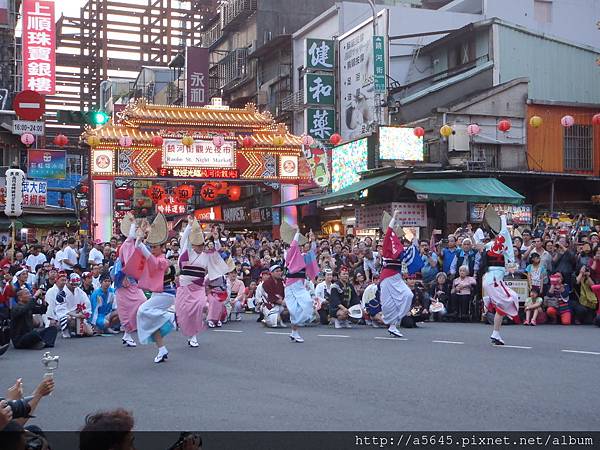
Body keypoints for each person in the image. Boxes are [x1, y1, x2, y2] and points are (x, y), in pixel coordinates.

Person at [176, 218, 229, 347]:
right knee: (186, 311)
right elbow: (184, 241)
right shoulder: (187, 252)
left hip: (198, 287)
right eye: (197, 244)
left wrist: (216, 239)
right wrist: (189, 227)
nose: (200, 247)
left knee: (199, 306)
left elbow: (217, 251)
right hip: (185, 286)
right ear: (193, 244)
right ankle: (187, 331)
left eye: (202, 244)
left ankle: (194, 335)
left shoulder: (206, 255)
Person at [131, 217, 177, 363]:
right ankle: (161, 349)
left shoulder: (163, 261)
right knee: (151, 321)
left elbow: (152, 260)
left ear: (162, 247)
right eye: (151, 247)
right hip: (158, 294)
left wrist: (142, 246)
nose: (152, 249)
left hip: (166, 294)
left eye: (154, 247)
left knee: (143, 311)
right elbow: (138, 247)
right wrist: (140, 233)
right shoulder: (157, 259)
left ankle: (169, 317)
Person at [481, 213, 520, 345]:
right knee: (513, 297)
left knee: (501, 307)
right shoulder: (496, 246)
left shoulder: (490, 246)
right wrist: (503, 221)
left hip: (491, 280)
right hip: (494, 280)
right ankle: (488, 304)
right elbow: (504, 237)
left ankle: (496, 334)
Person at [113, 220, 147, 347]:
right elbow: (128, 263)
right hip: (123, 281)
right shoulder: (127, 244)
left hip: (131, 281)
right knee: (127, 308)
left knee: (140, 302)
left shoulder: (132, 244)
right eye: (136, 228)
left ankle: (127, 334)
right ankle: (128, 333)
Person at [379, 210, 414, 338]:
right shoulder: (387, 244)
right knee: (388, 304)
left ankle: (396, 321)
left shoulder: (400, 248)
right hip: (387, 277)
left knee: (408, 295)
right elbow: (389, 231)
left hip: (397, 277)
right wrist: (393, 218)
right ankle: (392, 325)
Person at [284, 228, 319, 343]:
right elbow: (294, 246)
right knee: (294, 310)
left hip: (300, 286)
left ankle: (295, 331)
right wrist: (297, 234)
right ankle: (295, 332)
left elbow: (313, 253)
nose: (300, 247)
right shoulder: (290, 254)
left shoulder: (304, 256)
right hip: (290, 285)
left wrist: (312, 241)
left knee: (307, 304)